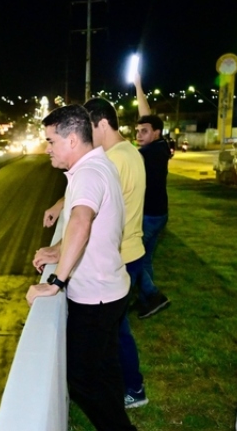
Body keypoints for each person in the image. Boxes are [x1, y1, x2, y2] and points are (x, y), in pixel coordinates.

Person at [29, 105, 137, 430]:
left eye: (51, 141)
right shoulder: (98, 165)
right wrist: (57, 250)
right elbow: (98, 228)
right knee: (105, 367)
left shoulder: (88, 174)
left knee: (80, 378)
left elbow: (81, 222)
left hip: (96, 300)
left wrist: (56, 283)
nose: (47, 149)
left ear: (72, 140)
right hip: (113, 289)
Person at [134, 71, 172, 318]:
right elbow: (146, 116)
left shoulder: (150, 153)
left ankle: (156, 296)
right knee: (146, 260)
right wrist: (138, 85)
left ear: (156, 132)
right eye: (137, 130)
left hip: (150, 215)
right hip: (159, 213)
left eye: (144, 131)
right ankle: (147, 299)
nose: (139, 134)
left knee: (133, 260)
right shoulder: (160, 146)